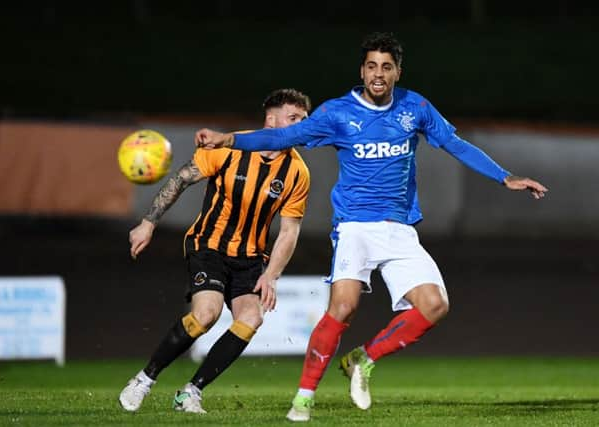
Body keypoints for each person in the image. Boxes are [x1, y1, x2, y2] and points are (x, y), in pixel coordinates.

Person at [195, 32, 548, 422]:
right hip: (355, 228)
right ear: (362, 71)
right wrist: (227, 139)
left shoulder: (416, 108)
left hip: (399, 228)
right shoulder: (337, 113)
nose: (378, 74)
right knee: (343, 308)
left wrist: (505, 177)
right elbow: (283, 135)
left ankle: (363, 359)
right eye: (371, 66)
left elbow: (455, 144)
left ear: (397, 72)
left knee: (435, 306)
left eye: (386, 67)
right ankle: (304, 398)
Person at [118, 88, 312, 414]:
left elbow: (290, 231)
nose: (301, 126)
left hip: (250, 257)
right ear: (271, 120)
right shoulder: (229, 147)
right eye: (294, 119)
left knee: (251, 318)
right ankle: (144, 379)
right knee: (206, 314)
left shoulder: (297, 173)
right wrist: (149, 222)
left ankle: (190, 392)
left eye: (304, 121)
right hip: (208, 244)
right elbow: (181, 179)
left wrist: (272, 275)